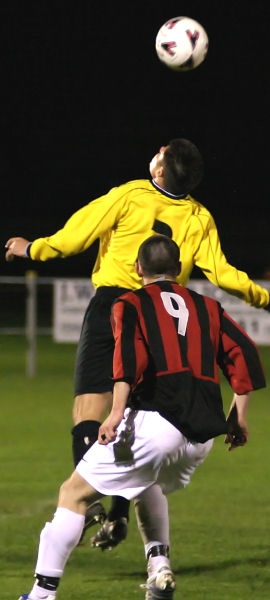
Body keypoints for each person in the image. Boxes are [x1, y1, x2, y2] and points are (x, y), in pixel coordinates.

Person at [5, 138, 270, 549]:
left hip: (116, 305)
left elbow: (77, 235)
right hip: (162, 319)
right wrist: (264, 297)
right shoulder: (199, 216)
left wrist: (34, 249)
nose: (156, 152)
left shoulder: (131, 195)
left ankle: (93, 504)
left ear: (160, 171)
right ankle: (119, 516)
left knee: (88, 414)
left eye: (161, 152)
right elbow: (223, 274)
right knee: (136, 416)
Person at [17, 235, 266, 600]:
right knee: (146, 484)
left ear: (137, 269)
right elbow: (243, 352)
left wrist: (115, 415)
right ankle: (159, 568)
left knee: (72, 493)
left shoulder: (129, 302)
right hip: (201, 437)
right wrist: (239, 416)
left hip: (156, 422)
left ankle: (41, 594)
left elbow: (128, 363)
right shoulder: (207, 305)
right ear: (179, 270)